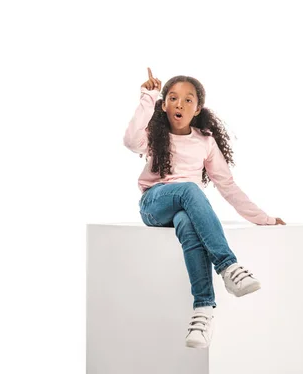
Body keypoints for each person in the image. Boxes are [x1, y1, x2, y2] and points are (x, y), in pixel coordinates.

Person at [123, 68, 286, 349]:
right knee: (189, 188)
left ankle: (203, 310)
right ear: (164, 106)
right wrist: (148, 96)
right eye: (172, 98)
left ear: (198, 109)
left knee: (188, 222)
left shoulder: (205, 141)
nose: (180, 104)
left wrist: (264, 218)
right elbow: (129, 141)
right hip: (154, 204)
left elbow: (227, 186)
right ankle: (228, 266)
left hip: (182, 209)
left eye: (188, 100)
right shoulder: (153, 134)